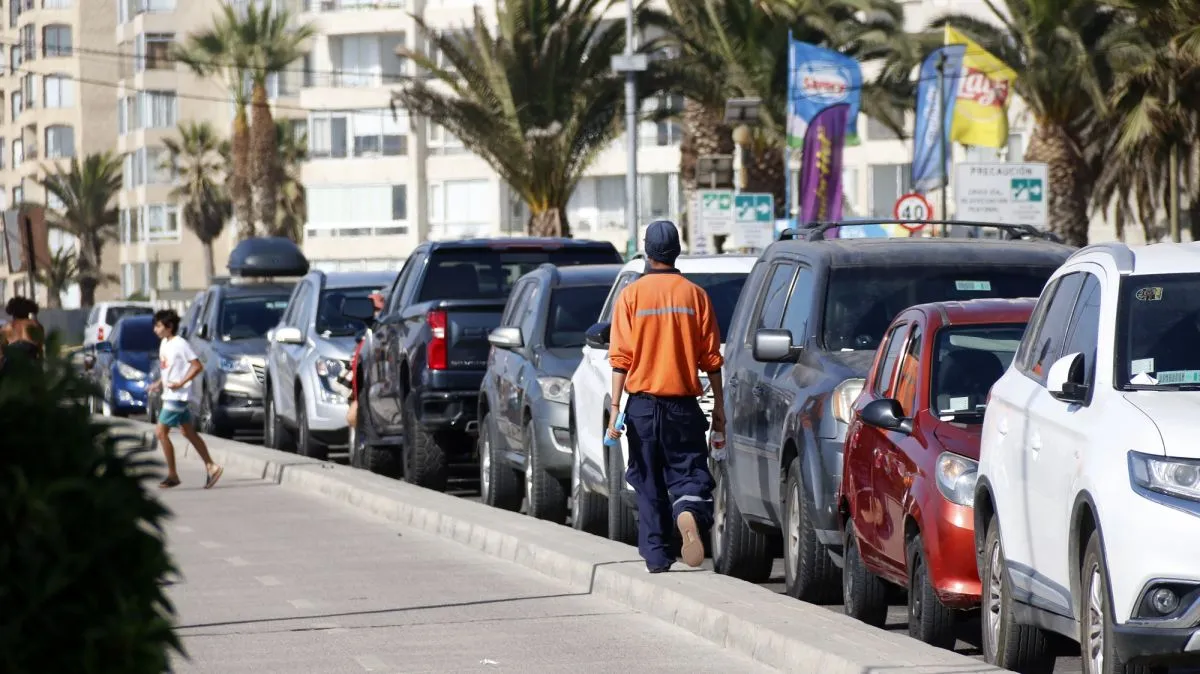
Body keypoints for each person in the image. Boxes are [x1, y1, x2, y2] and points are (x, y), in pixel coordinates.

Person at [607, 220, 725, 573]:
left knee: (648, 481)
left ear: (647, 251)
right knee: (689, 471)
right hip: (682, 405)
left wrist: (615, 408)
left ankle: (657, 556)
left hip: (642, 406)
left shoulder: (630, 296)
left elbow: (619, 359)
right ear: (676, 250)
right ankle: (687, 511)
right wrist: (720, 407)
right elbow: (712, 359)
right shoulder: (695, 296)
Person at [148, 309, 223, 489]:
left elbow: (197, 366)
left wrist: (181, 383)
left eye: (158, 326)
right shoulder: (164, 343)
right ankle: (211, 467)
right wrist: (159, 382)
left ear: (169, 326)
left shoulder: (180, 344)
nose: (155, 330)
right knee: (188, 432)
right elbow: (168, 369)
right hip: (169, 395)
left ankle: (173, 475)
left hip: (177, 397)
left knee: (160, 432)